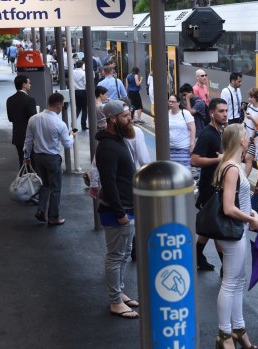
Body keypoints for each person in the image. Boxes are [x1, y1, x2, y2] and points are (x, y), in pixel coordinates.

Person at [213, 123, 258, 349]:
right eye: (246, 135)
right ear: (240, 141)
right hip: (233, 232)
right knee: (230, 283)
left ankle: (238, 329)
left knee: (236, 281)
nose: (249, 138)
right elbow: (228, 207)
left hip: (237, 230)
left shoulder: (233, 165)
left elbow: (238, 203)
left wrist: (250, 212)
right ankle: (224, 335)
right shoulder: (232, 168)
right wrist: (251, 219)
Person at [95, 99, 140, 319]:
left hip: (124, 208)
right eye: (125, 116)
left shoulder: (117, 140)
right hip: (117, 212)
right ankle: (115, 301)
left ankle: (119, 293)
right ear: (113, 119)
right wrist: (121, 213)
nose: (129, 118)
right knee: (115, 256)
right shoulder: (108, 147)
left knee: (121, 256)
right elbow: (109, 183)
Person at [23, 93, 75, 225]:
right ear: (59, 105)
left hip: (38, 157)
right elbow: (67, 144)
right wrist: (72, 136)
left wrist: (26, 156)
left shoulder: (33, 119)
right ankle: (53, 217)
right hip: (52, 158)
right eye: (62, 104)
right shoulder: (59, 124)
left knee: (44, 185)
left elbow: (28, 140)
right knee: (55, 188)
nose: (63, 106)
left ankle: (41, 210)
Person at [191, 98, 228, 272]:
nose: (225, 114)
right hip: (209, 188)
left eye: (226, 111)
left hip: (216, 187)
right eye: (221, 111)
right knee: (217, 227)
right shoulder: (207, 134)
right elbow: (194, 160)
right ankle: (226, 267)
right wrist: (218, 159)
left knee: (209, 227)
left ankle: (198, 256)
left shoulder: (220, 132)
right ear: (212, 113)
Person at [7, 75, 37, 167]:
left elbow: (10, 118)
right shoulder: (30, 100)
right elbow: (34, 120)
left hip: (17, 136)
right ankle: (31, 180)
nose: (30, 84)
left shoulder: (10, 100)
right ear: (24, 85)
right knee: (32, 163)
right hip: (29, 137)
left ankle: (23, 180)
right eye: (29, 82)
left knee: (22, 161)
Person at [168, 94, 196, 169]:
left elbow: (192, 128)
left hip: (183, 149)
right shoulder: (166, 114)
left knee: (184, 172)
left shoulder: (185, 113)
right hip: (170, 149)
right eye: (169, 101)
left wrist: (192, 145)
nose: (170, 103)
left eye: (173, 101)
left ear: (178, 103)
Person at [243, 88, 258, 162]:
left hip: (256, 138)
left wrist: (252, 118)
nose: (249, 99)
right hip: (248, 136)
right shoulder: (250, 105)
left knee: (250, 158)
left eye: (251, 97)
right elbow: (246, 119)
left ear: (256, 97)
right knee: (248, 158)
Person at [73, 61, 88, 130]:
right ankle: (83, 125)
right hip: (83, 91)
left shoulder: (72, 72)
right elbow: (85, 83)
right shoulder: (83, 73)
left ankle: (73, 123)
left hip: (75, 92)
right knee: (84, 109)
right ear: (82, 65)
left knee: (77, 108)